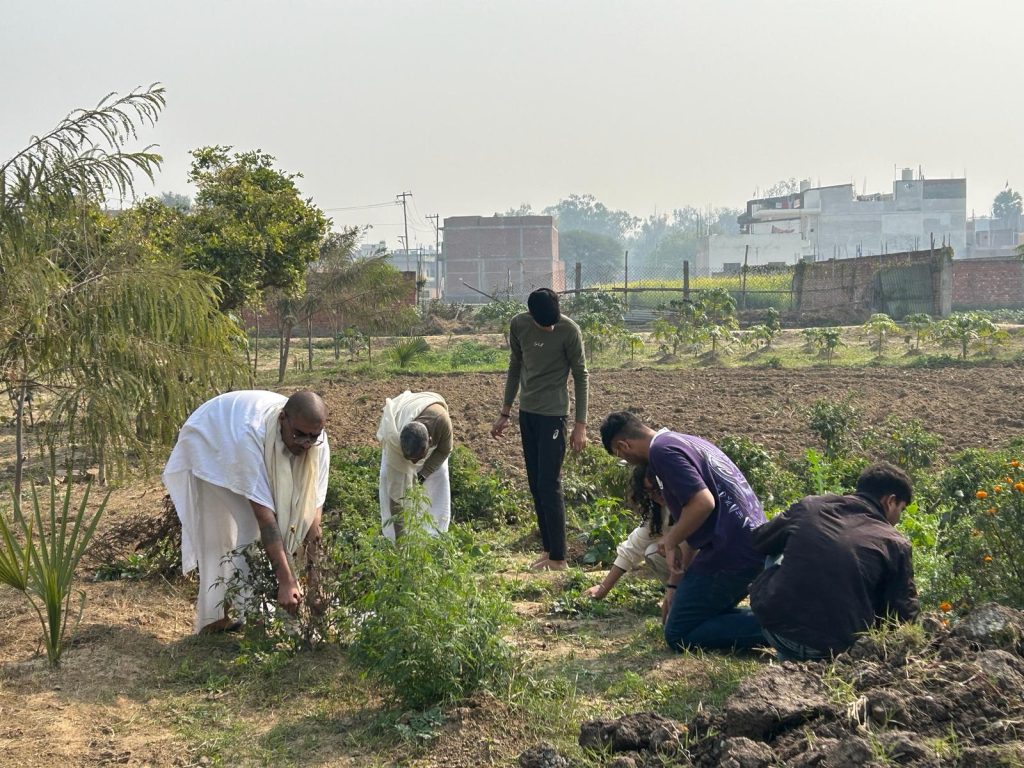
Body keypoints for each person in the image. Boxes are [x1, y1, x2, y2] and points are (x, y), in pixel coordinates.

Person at [162, 390, 330, 634]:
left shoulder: (318, 444)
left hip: (235, 434)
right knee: (244, 527)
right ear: (283, 419)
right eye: (299, 435)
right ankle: (245, 615)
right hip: (212, 439)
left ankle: (245, 606)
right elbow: (264, 518)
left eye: (312, 437)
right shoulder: (249, 436)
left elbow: (312, 517)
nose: (305, 444)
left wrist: (317, 582)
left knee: (265, 527)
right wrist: (286, 580)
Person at [600, 411, 767, 651]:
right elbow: (693, 525)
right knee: (690, 618)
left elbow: (703, 503)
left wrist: (669, 541)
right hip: (750, 546)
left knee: (679, 632)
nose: (628, 461)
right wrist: (673, 587)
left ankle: (789, 625)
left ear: (623, 445)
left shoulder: (661, 453)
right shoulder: (684, 441)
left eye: (621, 454)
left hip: (730, 555)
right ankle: (778, 618)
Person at [749, 462, 919, 661]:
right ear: (890, 501)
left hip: (777, 631)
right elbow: (903, 614)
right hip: (835, 651)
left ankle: (787, 649)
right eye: (901, 509)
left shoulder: (811, 506)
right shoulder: (895, 543)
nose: (898, 518)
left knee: (777, 549)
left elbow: (760, 540)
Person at [491, 288, 588, 571]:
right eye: (544, 324)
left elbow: (581, 375)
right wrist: (505, 411)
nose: (550, 328)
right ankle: (548, 550)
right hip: (527, 413)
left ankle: (559, 557)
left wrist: (580, 425)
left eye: (553, 323)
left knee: (549, 483)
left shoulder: (569, 331)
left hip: (554, 415)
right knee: (535, 484)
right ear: (532, 316)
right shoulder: (519, 325)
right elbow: (515, 365)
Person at [585, 463, 675, 599]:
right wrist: (603, 588)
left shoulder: (690, 502)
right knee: (653, 552)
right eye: (649, 492)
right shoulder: (658, 513)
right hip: (685, 567)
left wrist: (672, 538)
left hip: (707, 561)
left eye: (658, 489)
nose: (656, 496)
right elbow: (632, 548)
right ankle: (681, 593)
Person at [377, 390, 453, 540]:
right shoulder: (396, 441)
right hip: (401, 430)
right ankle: (392, 537)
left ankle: (435, 534)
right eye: (409, 459)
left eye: (417, 459)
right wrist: (401, 541)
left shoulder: (442, 422)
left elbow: (445, 450)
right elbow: (396, 495)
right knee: (389, 477)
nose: (413, 464)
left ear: (430, 442)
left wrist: (423, 474)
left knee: (440, 477)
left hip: (430, 436)